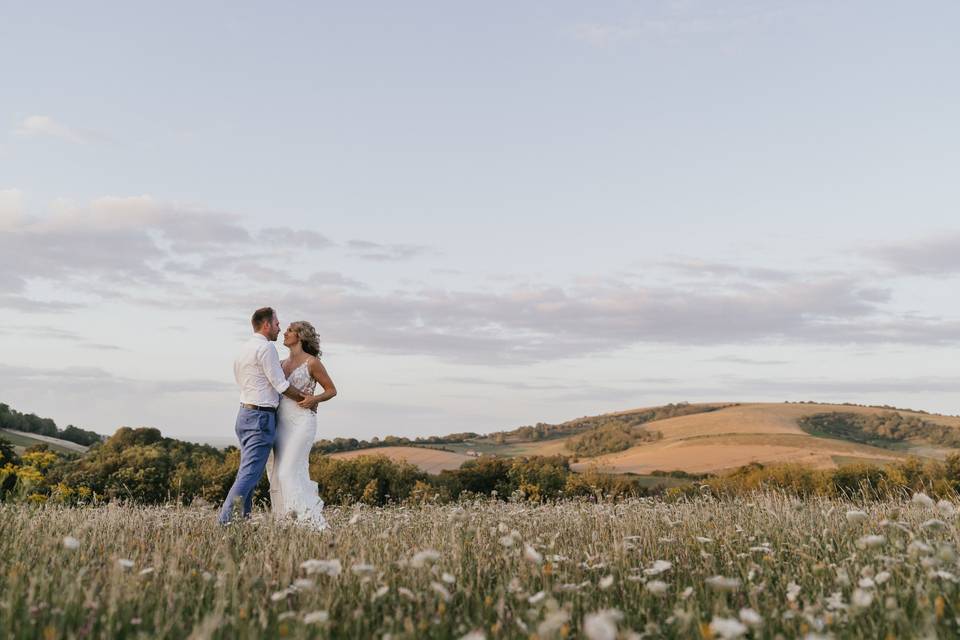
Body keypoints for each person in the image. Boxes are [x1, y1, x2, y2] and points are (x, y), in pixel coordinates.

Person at [218, 307, 306, 525]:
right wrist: (306, 399)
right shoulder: (266, 348)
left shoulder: (244, 349)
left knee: (247, 472)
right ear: (266, 325)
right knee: (250, 475)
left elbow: (241, 380)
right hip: (260, 418)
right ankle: (225, 522)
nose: (279, 328)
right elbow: (281, 384)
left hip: (244, 414)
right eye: (277, 324)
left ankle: (242, 522)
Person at [267, 321, 336, 530]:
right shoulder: (279, 364)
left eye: (289, 330)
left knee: (288, 472)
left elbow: (331, 390)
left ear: (300, 336)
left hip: (302, 422)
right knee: (277, 474)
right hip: (281, 423)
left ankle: (310, 524)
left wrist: (315, 400)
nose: (285, 333)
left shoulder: (312, 362)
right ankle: (285, 523)